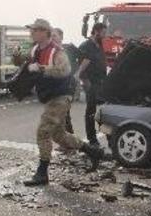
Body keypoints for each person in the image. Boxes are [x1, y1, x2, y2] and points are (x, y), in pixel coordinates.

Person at [23, 18, 102, 186]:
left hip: (61, 96)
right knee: (59, 136)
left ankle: (42, 173)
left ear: (45, 32)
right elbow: (27, 67)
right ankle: (92, 151)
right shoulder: (36, 49)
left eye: (35, 30)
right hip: (51, 95)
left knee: (43, 132)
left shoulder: (57, 51)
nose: (31, 33)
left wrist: (42, 69)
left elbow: (64, 71)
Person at [75, 22, 108, 152]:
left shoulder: (98, 44)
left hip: (100, 82)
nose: (105, 35)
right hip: (91, 82)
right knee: (91, 112)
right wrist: (80, 78)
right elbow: (83, 63)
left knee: (101, 111)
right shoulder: (86, 45)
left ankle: (105, 135)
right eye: (103, 33)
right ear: (96, 31)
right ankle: (92, 139)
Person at [53, 28, 79, 134]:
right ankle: (66, 143)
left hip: (67, 86)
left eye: (55, 35)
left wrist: (77, 74)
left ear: (61, 37)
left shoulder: (69, 48)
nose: (52, 38)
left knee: (64, 114)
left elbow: (85, 57)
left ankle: (70, 144)